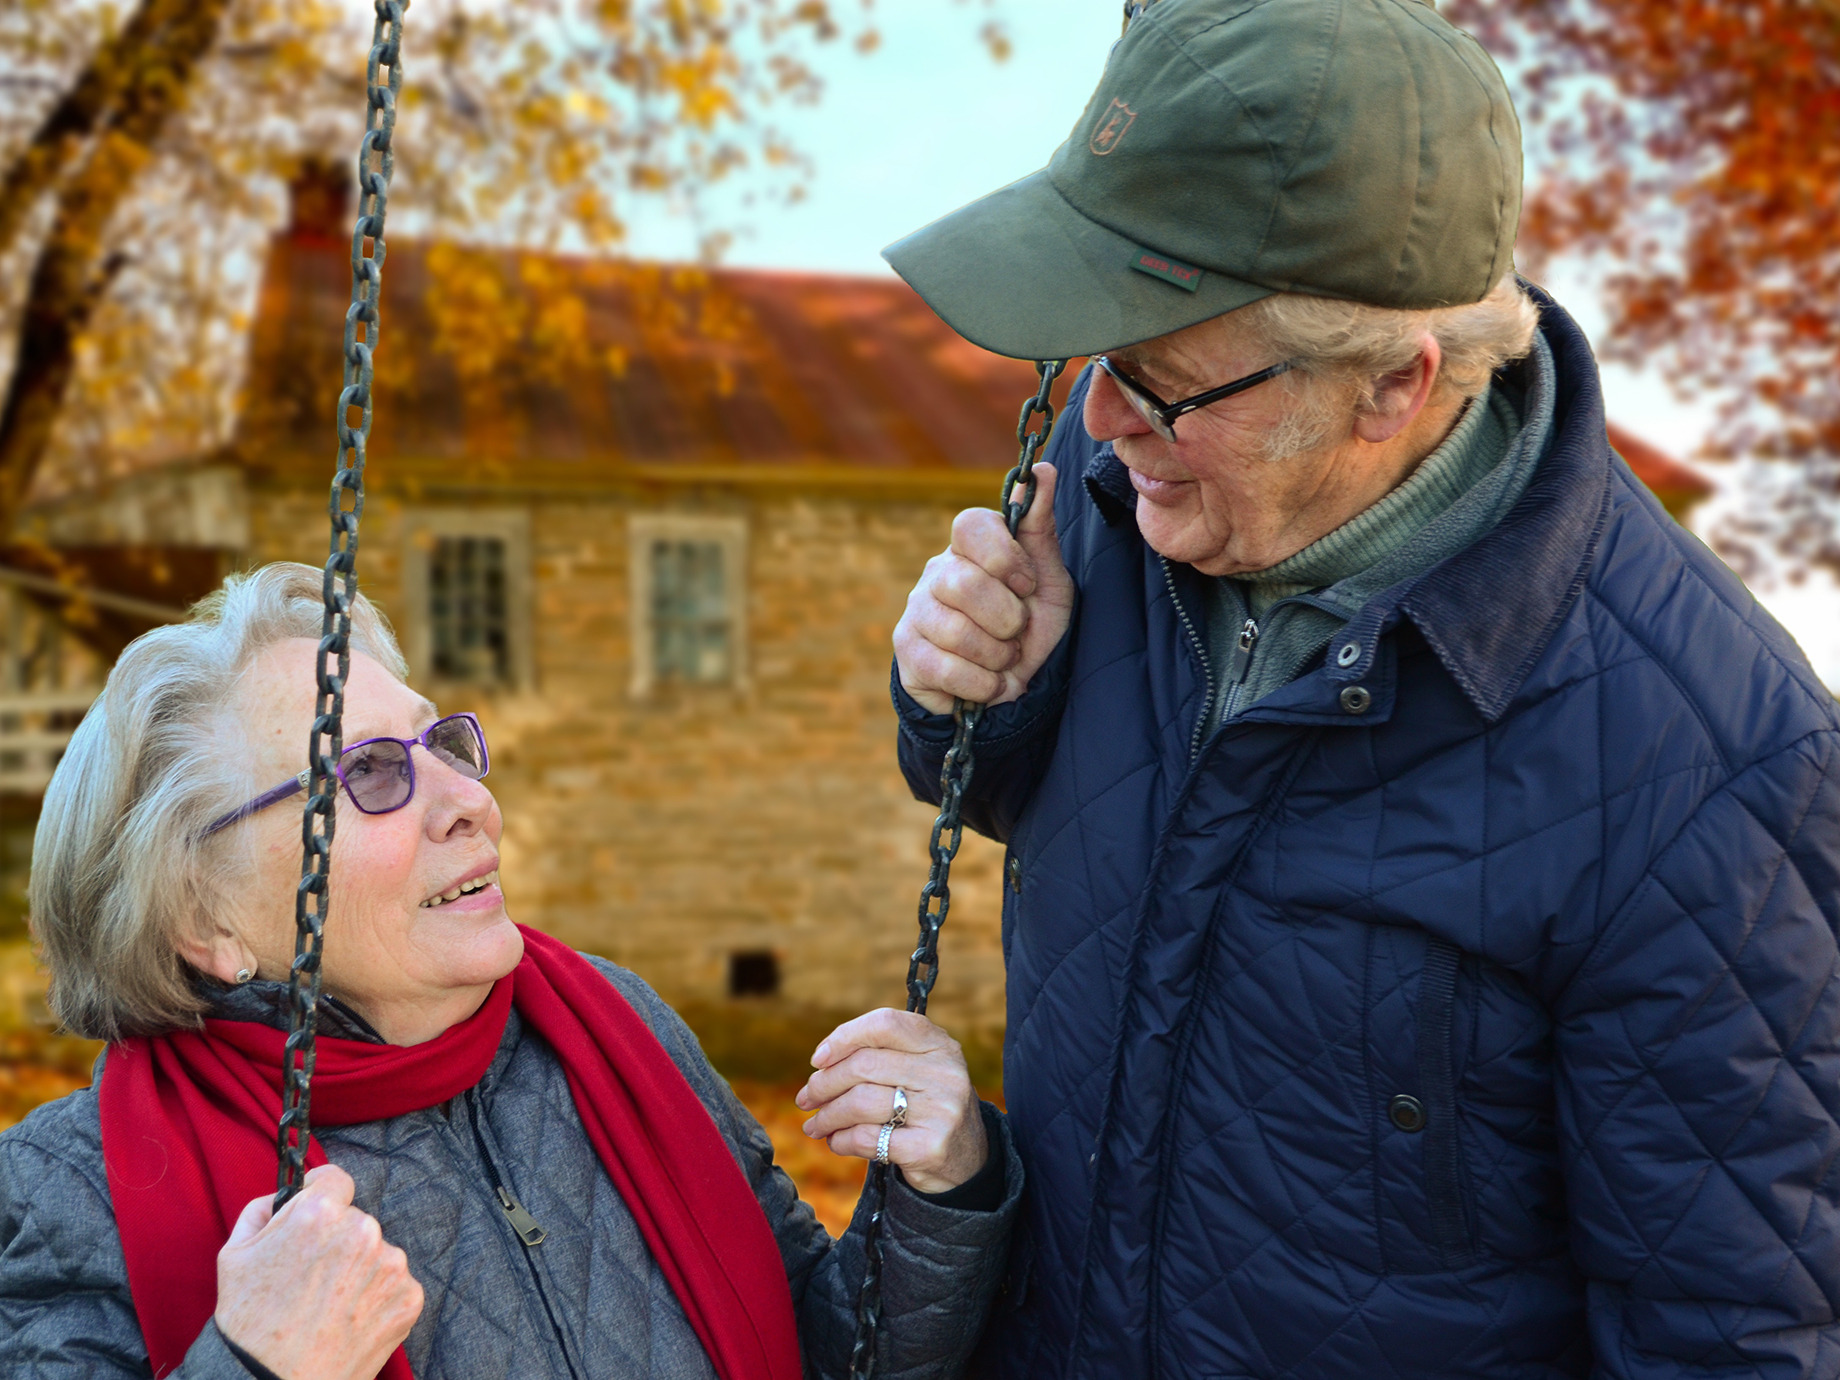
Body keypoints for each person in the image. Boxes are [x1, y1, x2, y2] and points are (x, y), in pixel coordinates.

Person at [885, 1, 1840, 1376]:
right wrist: (975, 697)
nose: (1101, 420)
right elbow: (1022, 810)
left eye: (1161, 383)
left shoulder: (1712, 771)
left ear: (1394, 383)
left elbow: (1741, 1333)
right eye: (1099, 360)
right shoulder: (1123, 503)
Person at [0, 562, 1020, 1380]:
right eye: (368, 772)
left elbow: (823, 1347)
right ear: (204, 918)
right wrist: (257, 1368)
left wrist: (937, 1190)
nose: (466, 800)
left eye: (441, 742)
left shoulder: (613, 1029)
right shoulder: (68, 1190)